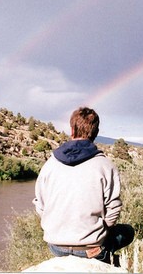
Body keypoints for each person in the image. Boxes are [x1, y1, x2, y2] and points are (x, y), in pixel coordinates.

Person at [33, 107, 134, 266]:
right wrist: (100, 230)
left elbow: (39, 204)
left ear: (72, 130)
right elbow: (113, 208)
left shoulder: (49, 164)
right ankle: (106, 260)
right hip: (90, 248)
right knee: (128, 232)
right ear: (96, 132)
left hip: (56, 246)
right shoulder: (106, 165)